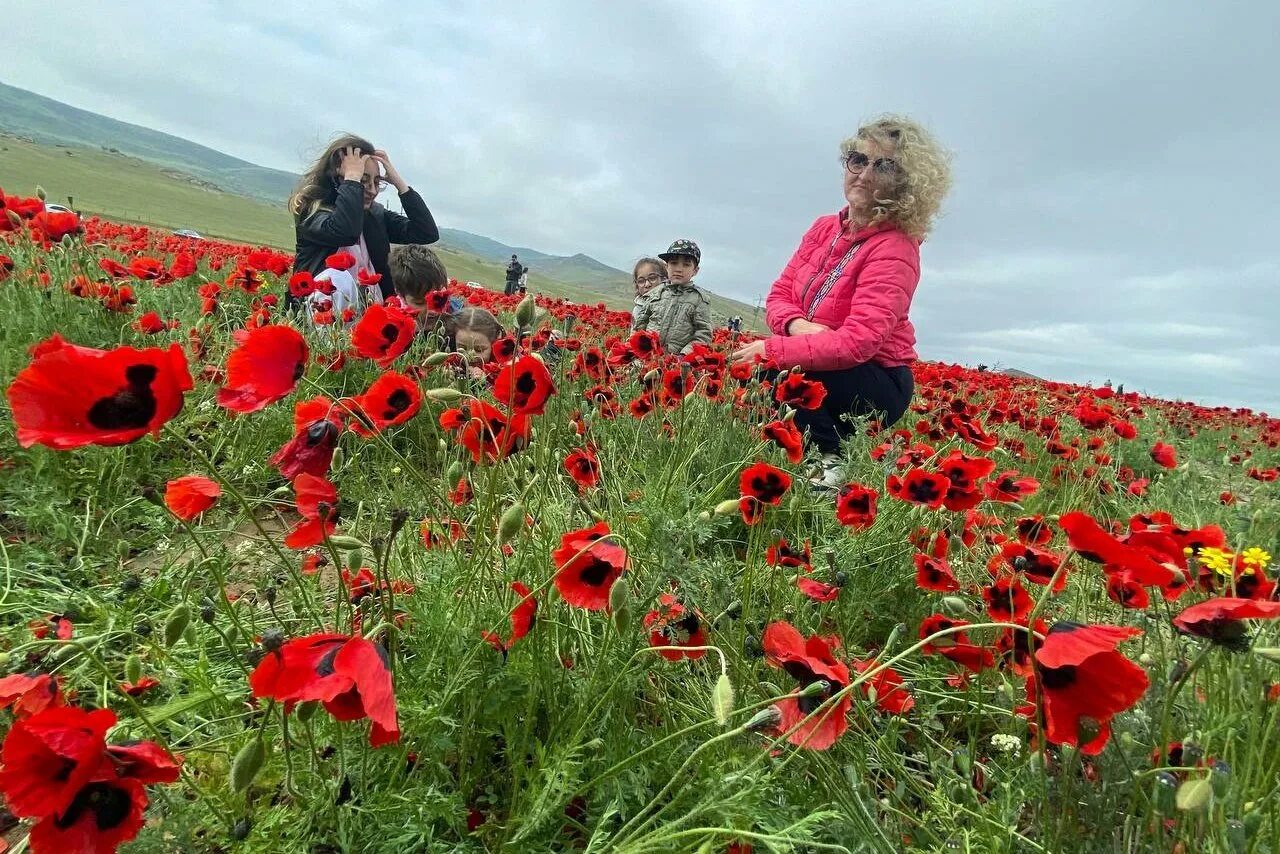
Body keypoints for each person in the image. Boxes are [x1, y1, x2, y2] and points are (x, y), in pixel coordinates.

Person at [730, 115, 953, 488]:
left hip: (877, 379)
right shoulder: (822, 228)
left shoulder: (896, 247)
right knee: (769, 372)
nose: (864, 174)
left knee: (778, 369)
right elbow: (779, 296)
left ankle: (829, 469)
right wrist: (799, 330)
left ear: (904, 183)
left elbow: (859, 342)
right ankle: (816, 462)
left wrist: (777, 348)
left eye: (884, 166)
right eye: (858, 160)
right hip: (825, 359)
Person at [289, 134, 439, 307]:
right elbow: (345, 232)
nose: (372, 190)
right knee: (339, 279)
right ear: (338, 175)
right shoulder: (312, 210)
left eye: (377, 182)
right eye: (363, 180)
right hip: (323, 316)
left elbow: (425, 232)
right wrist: (352, 180)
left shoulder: (374, 214)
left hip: (371, 312)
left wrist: (399, 184)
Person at [633, 240, 712, 355]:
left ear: (695, 271)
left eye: (686, 264)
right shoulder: (656, 293)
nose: (679, 269)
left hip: (677, 362)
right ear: (666, 266)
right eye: (674, 263)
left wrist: (684, 355)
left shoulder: (699, 299)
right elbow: (641, 324)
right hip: (648, 356)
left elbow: (703, 334)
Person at [629, 257, 667, 328]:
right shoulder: (637, 309)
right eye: (641, 281)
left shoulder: (671, 303)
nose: (647, 284)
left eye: (652, 278)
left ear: (664, 279)